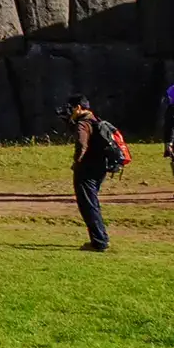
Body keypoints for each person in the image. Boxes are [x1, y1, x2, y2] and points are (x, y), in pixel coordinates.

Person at [65, 95, 112, 252]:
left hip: (87, 170)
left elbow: (81, 144)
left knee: (88, 206)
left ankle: (99, 241)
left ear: (78, 107)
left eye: (71, 108)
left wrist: (77, 163)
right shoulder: (94, 119)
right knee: (92, 204)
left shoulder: (83, 124)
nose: (70, 110)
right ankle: (100, 238)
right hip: (100, 168)